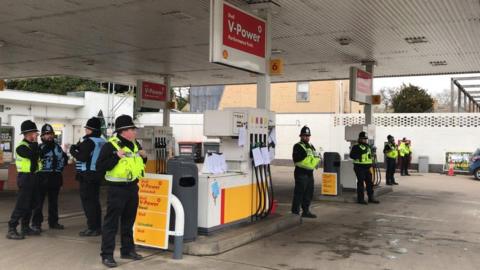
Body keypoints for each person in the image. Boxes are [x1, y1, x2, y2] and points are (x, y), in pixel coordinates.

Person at [97, 115, 147, 268]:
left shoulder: (135, 144)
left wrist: (144, 157)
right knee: (111, 223)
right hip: (116, 189)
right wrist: (116, 157)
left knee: (128, 221)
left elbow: (137, 163)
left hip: (132, 187)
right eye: (133, 129)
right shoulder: (110, 146)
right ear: (123, 131)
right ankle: (107, 255)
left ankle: (127, 250)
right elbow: (101, 166)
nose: (135, 132)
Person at [70, 117, 106, 236]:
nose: (85, 131)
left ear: (91, 130)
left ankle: (92, 228)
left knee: (88, 203)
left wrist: (73, 151)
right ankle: (97, 227)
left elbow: (82, 157)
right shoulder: (102, 141)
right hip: (97, 174)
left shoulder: (88, 141)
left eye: (87, 129)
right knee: (95, 202)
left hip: (87, 175)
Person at [6, 120, 42, 239]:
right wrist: (36, 145)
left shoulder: (32, 145)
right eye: (34, 133)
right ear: (28, 134)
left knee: (31, 204)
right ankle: (12, 228)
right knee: (22, 204)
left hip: (35, 177)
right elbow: (33, 154)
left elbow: (38, 154)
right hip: (26, 178)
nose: (36, 135)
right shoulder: (21, 147)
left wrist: (36, 147)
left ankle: (25, 227)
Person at [30, 124, 68, 230]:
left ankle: (53, 222)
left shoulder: (58, 147)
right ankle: (36, 224)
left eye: (50, 134)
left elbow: (64, 160)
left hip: (56, 177)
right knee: (39, 202)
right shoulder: (39, 147)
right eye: (46, 134)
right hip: (42, 177)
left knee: (54, 202)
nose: (49, 136)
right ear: (42, 136)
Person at [291, 125, 321, 218]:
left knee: (309, 193)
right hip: (301, 173)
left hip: (309, 173)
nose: (306, 137)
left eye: (308, 136)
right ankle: (295, 212)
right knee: (299, 193)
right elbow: (297, 159)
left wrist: (316, 160)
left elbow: (315, 157)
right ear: (301, 136)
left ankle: (306, 211)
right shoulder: (298, 146)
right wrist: (309, 159)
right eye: (304, 135)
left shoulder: (311, 146)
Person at [349, 131, 380, 205]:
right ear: (359, 139)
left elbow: (370, 156)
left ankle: (371, 198)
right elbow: (352, 156)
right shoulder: (356, 147)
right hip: (359, 167)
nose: (365, 140)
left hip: (367, 167)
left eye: (366, 139)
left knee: (370, 183)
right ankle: (360, 199)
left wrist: (372, 160)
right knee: (361, 183)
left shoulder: (368, 146)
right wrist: (360, 156)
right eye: (363, 139)